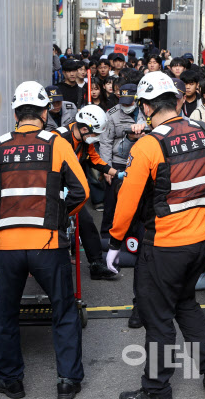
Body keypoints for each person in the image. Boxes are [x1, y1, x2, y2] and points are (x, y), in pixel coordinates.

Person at [106, 72, 205, 399]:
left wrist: (115, 242)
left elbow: (127, 201)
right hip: (203, 240)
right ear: (177, 100)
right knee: (185, 302)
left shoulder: (149, 144)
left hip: (165, 246)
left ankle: (156, 390)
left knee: (158, 316)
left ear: (146, 108)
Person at [0, 81, 90, 399]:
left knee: (5, 314)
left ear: (17, 113)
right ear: (46, 112)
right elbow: (81, 192)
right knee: (63, 311)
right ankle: (68, 382)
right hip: (48, 245)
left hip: (7, 247)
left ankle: (10, 381)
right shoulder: (57, 144)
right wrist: (58, 219)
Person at [54, 105, 118, 280]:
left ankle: (96, 264)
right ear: (83, 128)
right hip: (54, 189)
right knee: (59, 223)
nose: (96, 138)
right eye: (95, 134)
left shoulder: (83, 139)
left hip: (69, 189)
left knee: (86, 222)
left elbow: (94, 159)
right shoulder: (58, 139)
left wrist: (115, 173)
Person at [99, 84, 147, 245]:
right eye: (123, 102)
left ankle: (131, 237)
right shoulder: (111, 114)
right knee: (112, 202)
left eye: (129, 102)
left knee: (137, 202)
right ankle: (106, 236)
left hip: (140, 162)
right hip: (118, 163)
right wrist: (107, 168)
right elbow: (105, 142)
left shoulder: (145, 111)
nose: (126, 106)